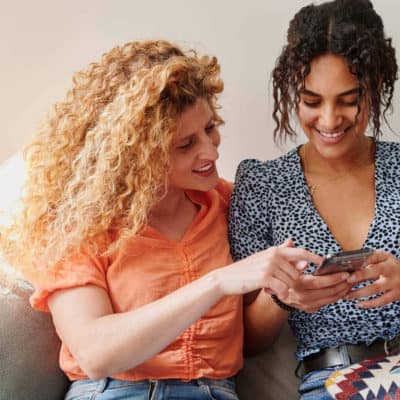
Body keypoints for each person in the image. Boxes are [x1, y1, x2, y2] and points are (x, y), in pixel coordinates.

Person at [0, 40, 321, 400]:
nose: (212, 150)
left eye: (210, 128)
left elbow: (248, 342)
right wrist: (217, 282)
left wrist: (281, 295)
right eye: (185, 145)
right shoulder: (79, 223)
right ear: (137, 154)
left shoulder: (231, 204)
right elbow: (95, 353)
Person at [228, 0, 400, 398]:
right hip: (334, 383)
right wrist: (284, 297)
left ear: (376, 87)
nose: (328, 120)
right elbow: (248, 341)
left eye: (347, 99)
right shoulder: (262, 185)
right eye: (311, 101)